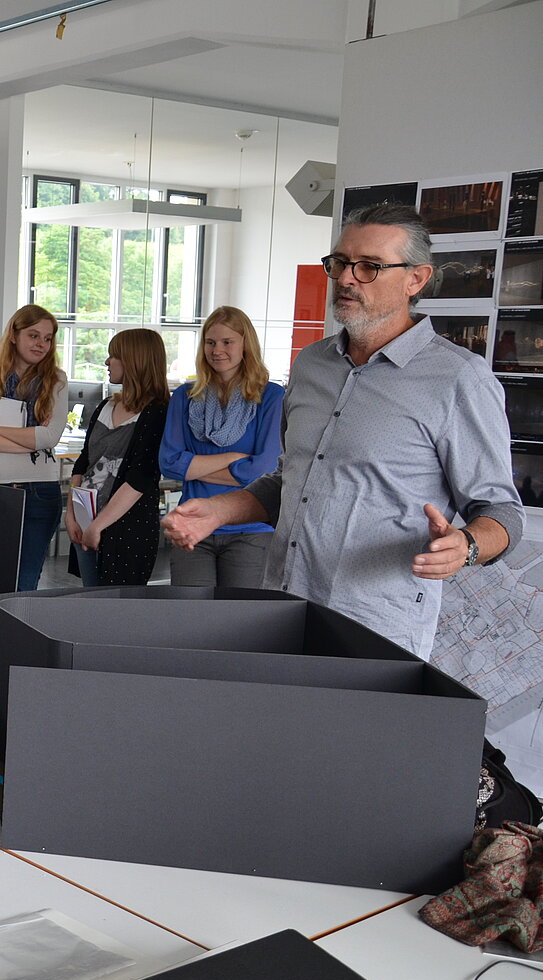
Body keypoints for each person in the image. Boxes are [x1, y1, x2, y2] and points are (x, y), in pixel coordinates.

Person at [164, 204, 523, 658]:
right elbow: (291, 481)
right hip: (282, 609)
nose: (347, 278)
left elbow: (501, 510)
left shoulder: (459, 378)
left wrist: (467, 545)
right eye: (340, 263)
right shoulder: (311, 364)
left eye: (369, 266)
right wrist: (219, 511)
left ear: (416, 279)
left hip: (375, 628)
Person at [157, 306, 284, 587]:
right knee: (190, 609)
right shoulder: (185, 396)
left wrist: (194, 468)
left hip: (250, 531)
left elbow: (263, 471)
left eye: (227, 342)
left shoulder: (272, 396)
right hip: (191, 524)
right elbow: (169, 463)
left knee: (239, 612)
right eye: (210, 342)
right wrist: (234, 458)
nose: (217, 350)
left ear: (245, 345)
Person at [0, 304, 68, 590]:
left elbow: (49, 438)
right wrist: (29, 442)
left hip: (40, 492)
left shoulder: (57, 379)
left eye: (47, 338)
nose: (41, 344)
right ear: (13, 335)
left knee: (24, 585)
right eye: (33, 335)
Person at [68, 328, 171, 587]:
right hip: (86, 520)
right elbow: (84, 462)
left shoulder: (157, 412)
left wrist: (98, 526)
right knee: (90, 601)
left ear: (135, 361)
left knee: (117, 605)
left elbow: (140, 479)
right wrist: (71, 515)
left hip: (126, 532)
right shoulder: (106, 405)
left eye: (114, 356)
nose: (107, 362)